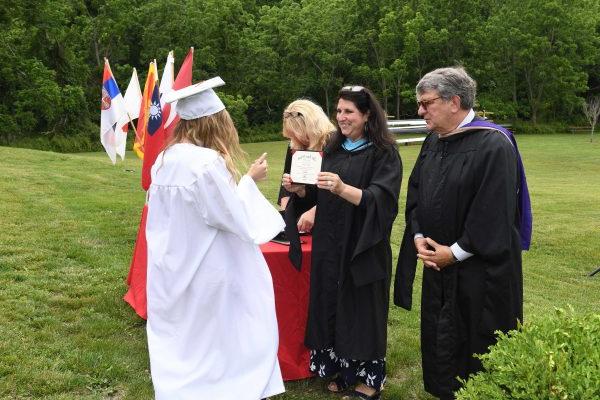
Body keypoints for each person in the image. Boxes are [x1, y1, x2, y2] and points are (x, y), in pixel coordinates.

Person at [393, 67, 532, 399]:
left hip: (481, 273)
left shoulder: (492, 144)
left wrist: (452, 253)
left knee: (478, 346)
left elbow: (494, 213)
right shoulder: (433, 140)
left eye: (426, 103)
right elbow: (416, 194)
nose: (420, 111)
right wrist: (419, 237)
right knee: (443, 342)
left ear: (454, 101)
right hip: (438, 269)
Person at [145, 77, 286, 400]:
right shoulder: (205, 163)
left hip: (174, 267)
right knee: (221, 341)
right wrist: (249, 181)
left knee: (186, 343)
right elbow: (236, 219)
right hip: (207, 269)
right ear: (214, 123)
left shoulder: (164, 160)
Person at [283, 86, 402, 400]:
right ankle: (341, 370)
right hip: (331, 242)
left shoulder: (383, 151)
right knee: (332, 302)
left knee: (361, 307)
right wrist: (299, 192)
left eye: (349, 111)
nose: (342, 117)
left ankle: (370, 379)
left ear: (366, 114)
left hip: (362, 243)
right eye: (338, 111)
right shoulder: (334, 148)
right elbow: (320, 195)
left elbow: (383, 200)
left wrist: (343, 188)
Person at [277, 99, 335, 268]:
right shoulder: (295, 145)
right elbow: (289, 180)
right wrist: (293, 192)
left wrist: (316, 210)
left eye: (298, 133)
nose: (296, 138)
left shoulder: (333, 145)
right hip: (302, 221)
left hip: (329, 221)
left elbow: (340, 187)